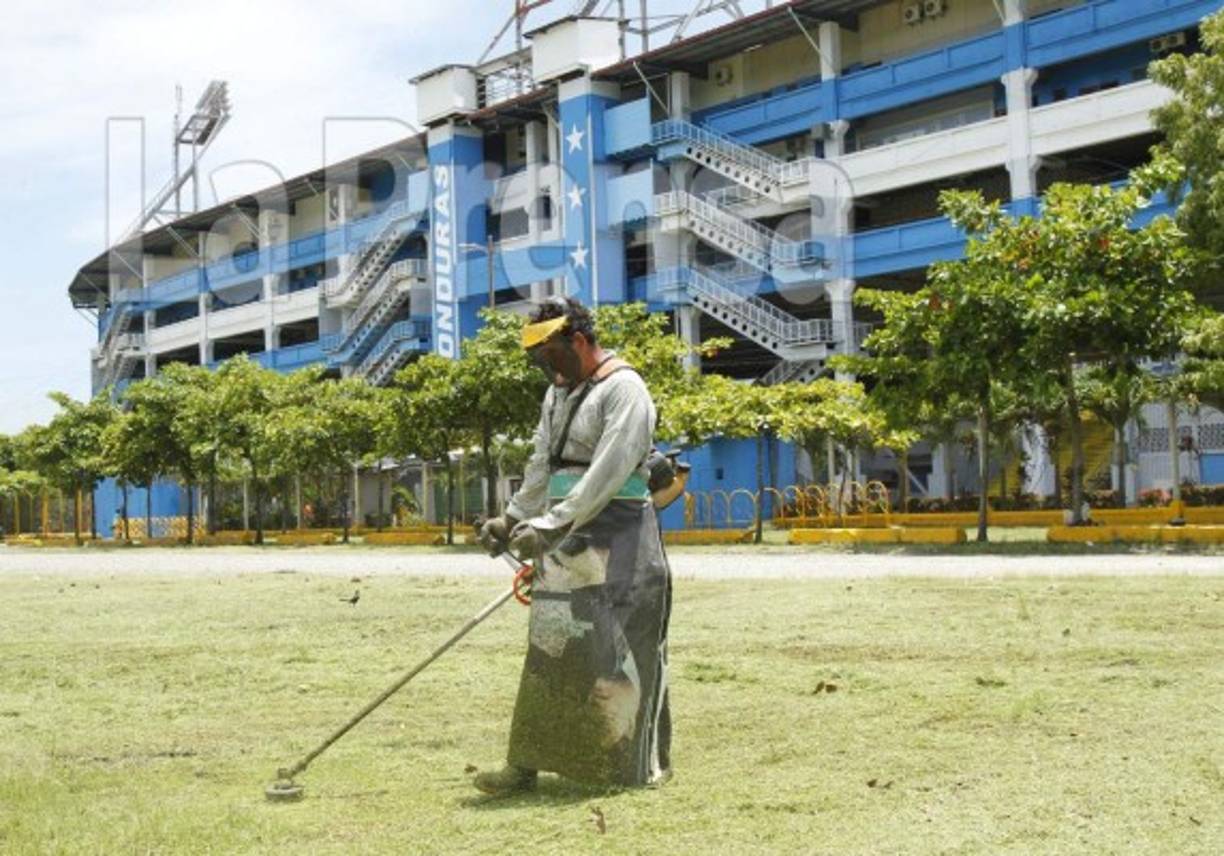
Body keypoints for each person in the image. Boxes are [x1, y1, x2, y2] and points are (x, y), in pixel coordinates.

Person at [476, 296, 673, 794]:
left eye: (550, 357)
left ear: (579, 341)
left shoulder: (625, 389)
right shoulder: (558, 394)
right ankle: (524, 767)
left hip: (621, 537)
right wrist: (513, 516)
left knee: (619, 660)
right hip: (565, 537)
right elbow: (544, 461)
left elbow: (606, 474)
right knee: (550, 651)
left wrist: (552, 525)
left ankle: (623, 771)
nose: (545, 370)